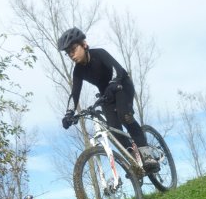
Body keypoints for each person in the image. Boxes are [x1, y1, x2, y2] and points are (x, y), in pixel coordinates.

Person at [57, 27, 159, 172]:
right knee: (115, 131)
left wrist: (113, 83)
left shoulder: (99, 54)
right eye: (68, 53)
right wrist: (69, 114)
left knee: (125, 117)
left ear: (84, 44)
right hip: (106, 95)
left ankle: (148, 156)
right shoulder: (78, 71)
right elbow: (75, 94)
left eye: (73, 49)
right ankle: (135, 163)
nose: (71, 55)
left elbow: (119, 70)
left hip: (122, 85)